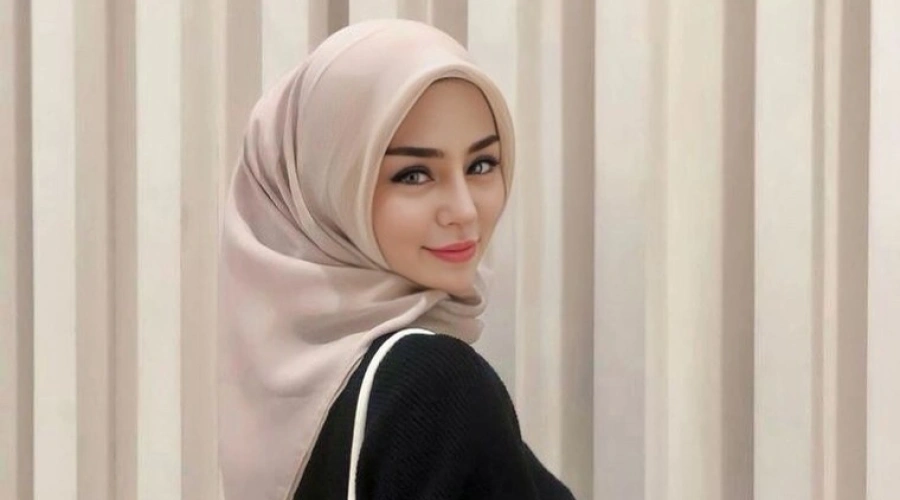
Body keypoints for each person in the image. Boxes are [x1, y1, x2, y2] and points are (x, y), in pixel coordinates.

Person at [217, 19, 575, 500]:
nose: (464, 210)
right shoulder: (433, 384)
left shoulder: (278, 393)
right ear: (330, 186)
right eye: (413, 175)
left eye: (481, 165)